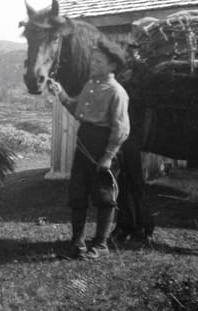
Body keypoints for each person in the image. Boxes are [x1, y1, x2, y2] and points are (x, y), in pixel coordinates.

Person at [47, 38, 130, 260]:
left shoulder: (117, 92)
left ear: (112, 66)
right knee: (77, 193)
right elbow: (77, 110)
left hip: (103, 149)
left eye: (99, 62)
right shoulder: (90, 86)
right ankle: (78, 243)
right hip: (84, 147)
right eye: (92, 61)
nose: (93, 65)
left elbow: (121, 129)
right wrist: (61, 94)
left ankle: (101, 245)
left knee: (105, 196)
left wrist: (108, 157)